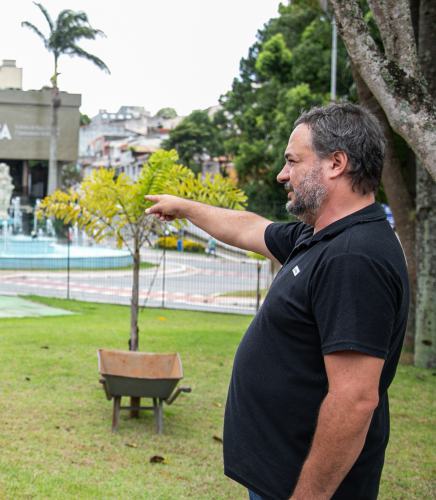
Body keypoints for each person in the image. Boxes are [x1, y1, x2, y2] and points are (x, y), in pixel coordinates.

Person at [145, 103, 408, 500]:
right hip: (280, 476)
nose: (282, 174)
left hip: (305, 487)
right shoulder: (322, 236)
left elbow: (354, 399)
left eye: (292, 161)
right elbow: (251, 228)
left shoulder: (354, 257)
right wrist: (183, 207)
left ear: (336, 163)